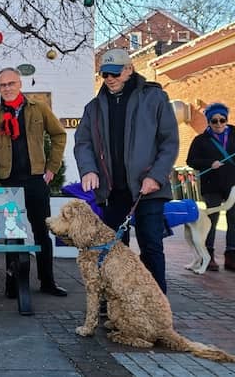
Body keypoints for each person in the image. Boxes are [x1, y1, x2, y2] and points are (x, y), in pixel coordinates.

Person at [74, 48, 178, 294]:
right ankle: (115, 305)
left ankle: (156, 307)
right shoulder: (94, 107)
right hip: (114, 191)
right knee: (112, 251)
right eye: (104, 74)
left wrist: (156, 176)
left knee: (151, 247)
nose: (109, 79)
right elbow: (83, 142)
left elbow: (169, 142)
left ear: (129, 70)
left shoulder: (154, 98)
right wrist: (89, 170)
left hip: (148, 189)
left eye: (115, 73)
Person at [0, 67, 68, 297]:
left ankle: (47, 281)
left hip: (35, 181)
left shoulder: (38, 109)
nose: (7, 88)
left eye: (11, 83)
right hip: (8, 182)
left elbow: (59, 135)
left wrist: (52, 168)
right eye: (3, 85)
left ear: (20, 84)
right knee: (12, 234)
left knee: (42, 232)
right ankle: (14, 283)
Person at [186, 103, 235, 273]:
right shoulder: (200, 140)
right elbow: (191, 161)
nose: (218, 124)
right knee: (212, 220)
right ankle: (208, 256)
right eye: (214, 121)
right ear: (208, 122)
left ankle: (232, 256)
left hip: (232, 184)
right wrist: (209, 163)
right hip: (211, 185)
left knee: (233, 220)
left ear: (226, 120)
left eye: (222, 120)